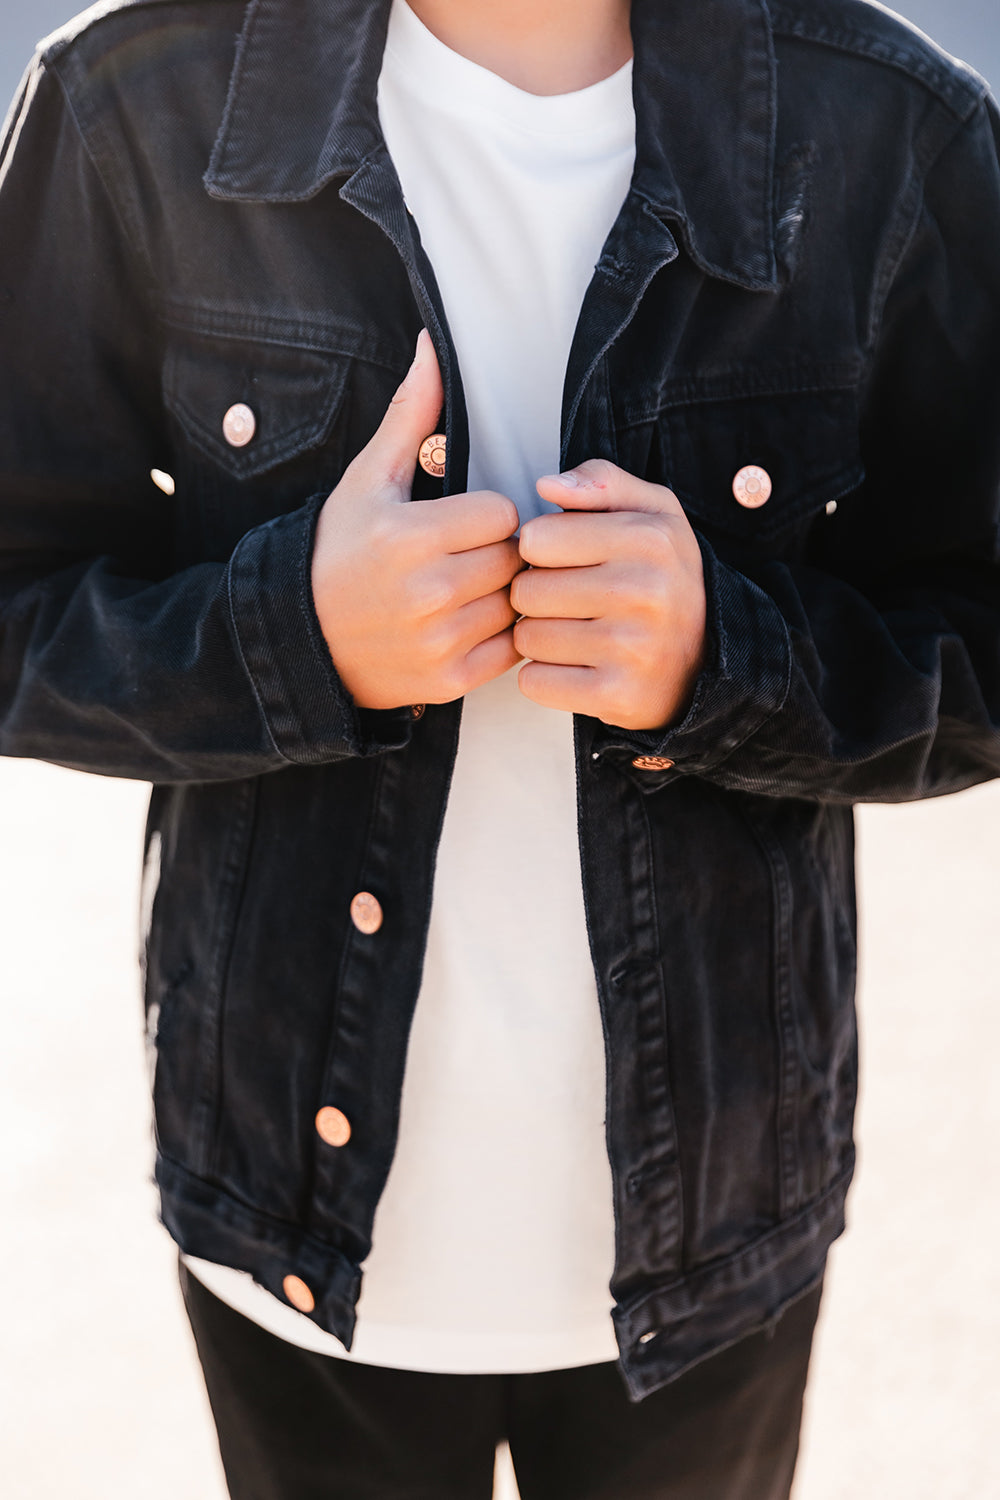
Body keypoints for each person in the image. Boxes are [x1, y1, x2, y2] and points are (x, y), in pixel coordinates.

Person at [1, 0, 998, 1495]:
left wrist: (728, 661)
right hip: (290, 1222)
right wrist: (294, 640)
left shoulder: (892, 126)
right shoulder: (131, 96)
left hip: (714, 1238)